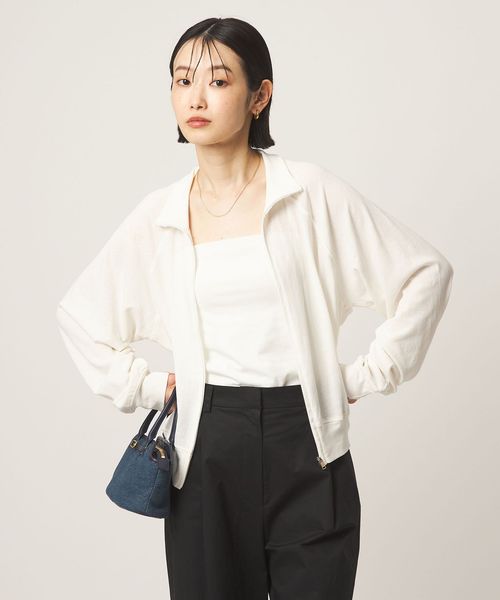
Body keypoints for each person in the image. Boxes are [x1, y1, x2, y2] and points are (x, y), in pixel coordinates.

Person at [56, 16, 454, 600]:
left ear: (260, 96)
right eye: (182, 80)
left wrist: (369, 374)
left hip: (308, 443)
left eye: (218, 81)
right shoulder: (159, 215)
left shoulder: (309, 193)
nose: (195, 97)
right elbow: (81, 316)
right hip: (205, 446)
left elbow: (425, 273)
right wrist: (147, 387)